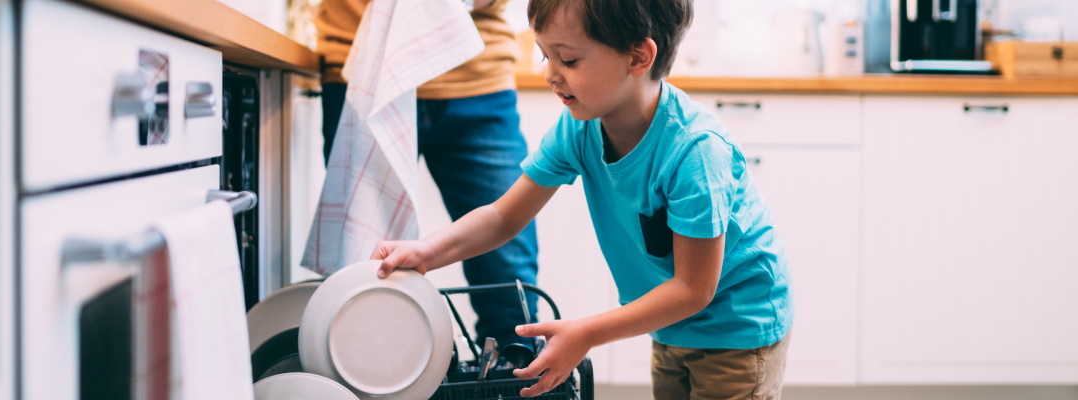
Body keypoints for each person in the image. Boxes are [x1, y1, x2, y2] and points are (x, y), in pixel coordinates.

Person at [370, 0, 795, 398]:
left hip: (737, 325)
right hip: (671, 323)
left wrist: (586, 333)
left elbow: (693, 288)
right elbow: (502, 217)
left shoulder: (696, 152)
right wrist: (427, 252)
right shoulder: (580, 127)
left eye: (568, 60)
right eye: (545, 56)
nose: (551, 75)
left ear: (638, 57)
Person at [314, 0, 540, 348]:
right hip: (363, 68)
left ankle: (512, 368)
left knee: (507, 277)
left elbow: (504, 221)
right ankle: (364, 367)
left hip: (476, 76)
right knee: (362, 269)